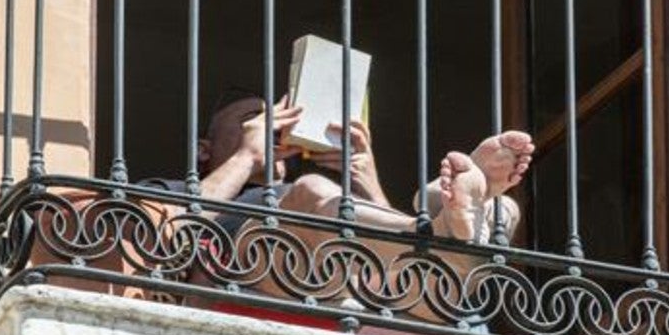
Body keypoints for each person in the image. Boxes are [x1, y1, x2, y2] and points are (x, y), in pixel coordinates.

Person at [149, 92, 535, 244]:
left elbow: (391, 263)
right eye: (257, 119)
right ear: (205, 150)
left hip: (361, 284)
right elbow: (164, 235)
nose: (275, 125)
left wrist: (366, 178)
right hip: (253, 272)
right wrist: (245, 157)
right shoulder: (164, 191)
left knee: (504, 210)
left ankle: (444, 211)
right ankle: (433, 220)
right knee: (313, 191)